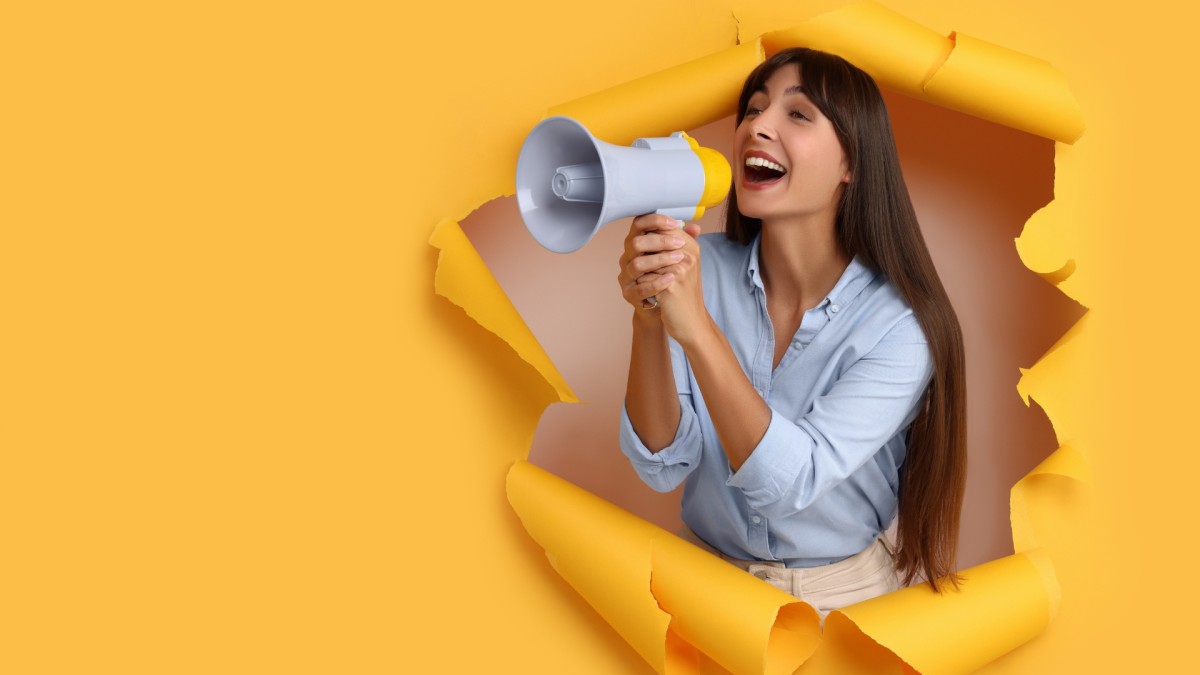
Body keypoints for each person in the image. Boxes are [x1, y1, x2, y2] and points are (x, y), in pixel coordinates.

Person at [616, 48, 967, 617]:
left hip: (842, 605)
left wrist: (699, 330)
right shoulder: (700, 265)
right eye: (753, 110)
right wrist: (649, 317)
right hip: (697, 584)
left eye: (797, 115)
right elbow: (661, 464)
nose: (759, 126)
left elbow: (790, 481)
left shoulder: (900, 328)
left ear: (852, 161)